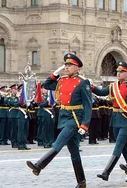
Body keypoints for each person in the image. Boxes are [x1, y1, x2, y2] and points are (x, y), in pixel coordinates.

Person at [26, 53, 92, 188]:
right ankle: (82, 182)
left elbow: (88, 105)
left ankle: (39, 165)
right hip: (63, 116)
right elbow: (47, 84)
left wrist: (85, 124)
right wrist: (56, 73)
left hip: (75, 118)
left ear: (77, 67)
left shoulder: (82, 82)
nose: (66, 67)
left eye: (69, 65)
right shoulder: (62, 80)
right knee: (74, 153)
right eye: (66, 65)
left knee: (59, 142)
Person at [94, 61, 127, 182]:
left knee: (119, 145)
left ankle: (106, 172)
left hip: (126, 120)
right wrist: (91, 86)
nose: (119, 73)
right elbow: (101, 92)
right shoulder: (113, 86)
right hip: (115, 119)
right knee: (124, 148)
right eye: (118, 71)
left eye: (121, 72)